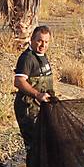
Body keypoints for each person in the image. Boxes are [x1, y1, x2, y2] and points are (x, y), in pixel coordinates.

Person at [12, 24, 54, 154]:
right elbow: (19, 81)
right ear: (32, 39)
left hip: (41, 108)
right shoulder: (27, 58)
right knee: (34, 145)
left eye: (46, 42)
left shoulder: (43, 56)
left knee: (45, 143)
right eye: (39, 41)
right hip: (28, 109)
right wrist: (37, 94)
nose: (43, 45)